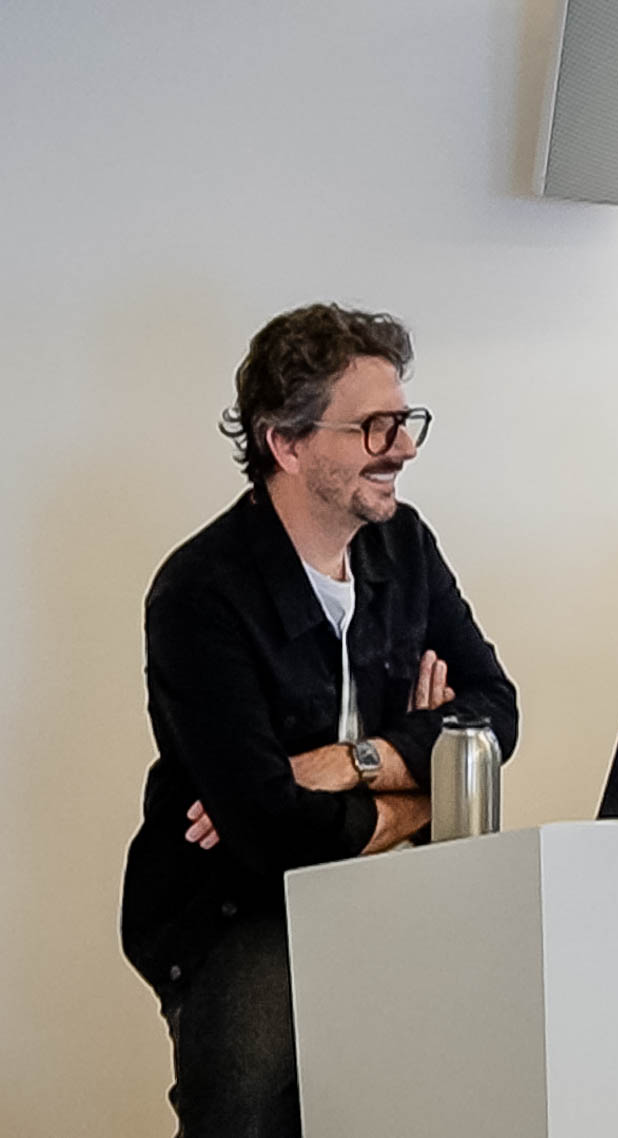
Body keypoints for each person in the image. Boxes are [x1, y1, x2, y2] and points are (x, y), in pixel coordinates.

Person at [119, 303, 519, 1137]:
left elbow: (494, 714)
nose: (402, 447)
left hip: (378, 881)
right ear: (287, 444)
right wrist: (428, 793)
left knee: (425, 1096)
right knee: (252, 1113)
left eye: (404, 421)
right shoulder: (203, 591)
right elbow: (269, 831)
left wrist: (356, 760)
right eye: (374, 427)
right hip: (236, 905)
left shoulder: (402, 546)